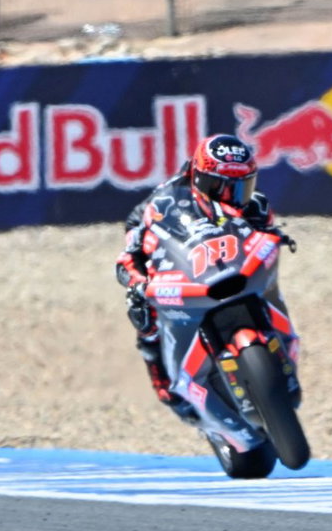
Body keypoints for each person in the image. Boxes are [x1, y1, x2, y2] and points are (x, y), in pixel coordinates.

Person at [114, 134, 294, 419]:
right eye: (219, 187)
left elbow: (267, 233)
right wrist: (138, 282)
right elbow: (128, 256)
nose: (230, 196)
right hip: (184, 264)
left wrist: (274, 238)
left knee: (270, 282)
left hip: (233, 265)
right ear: (197, 177)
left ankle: (282, 337)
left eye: (240, 187)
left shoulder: (255, 203)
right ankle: (161, 376)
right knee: (143, 312)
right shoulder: (163, 202)